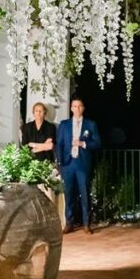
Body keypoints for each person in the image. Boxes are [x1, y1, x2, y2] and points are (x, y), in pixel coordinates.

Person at [55, 97, 101, 234]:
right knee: (69, 194)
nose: (77, 108)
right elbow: (59, 145)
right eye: (74, 106)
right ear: (71, 108)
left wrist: (83, 144)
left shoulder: (90, 125)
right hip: (68, 164)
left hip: (82, 164)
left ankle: (87, 224)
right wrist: (60, 163)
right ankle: (69, 223)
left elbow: (98, 144)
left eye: (79, 106)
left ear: (83, 108)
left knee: (84, 193)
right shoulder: (64, 124)